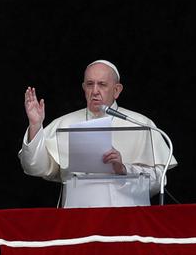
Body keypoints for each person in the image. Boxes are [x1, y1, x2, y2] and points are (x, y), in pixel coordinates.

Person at [18, 60, 176, 206]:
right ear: (84, 88)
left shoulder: (142, 124)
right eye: (90, 84)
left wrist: (123, 169)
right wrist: (35, 125)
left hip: (128, 219)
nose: (95, 91)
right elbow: (34, 167)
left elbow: (158, 181)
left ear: (116, 90)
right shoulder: (64, 124)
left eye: (102, 84)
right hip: (77, 218)